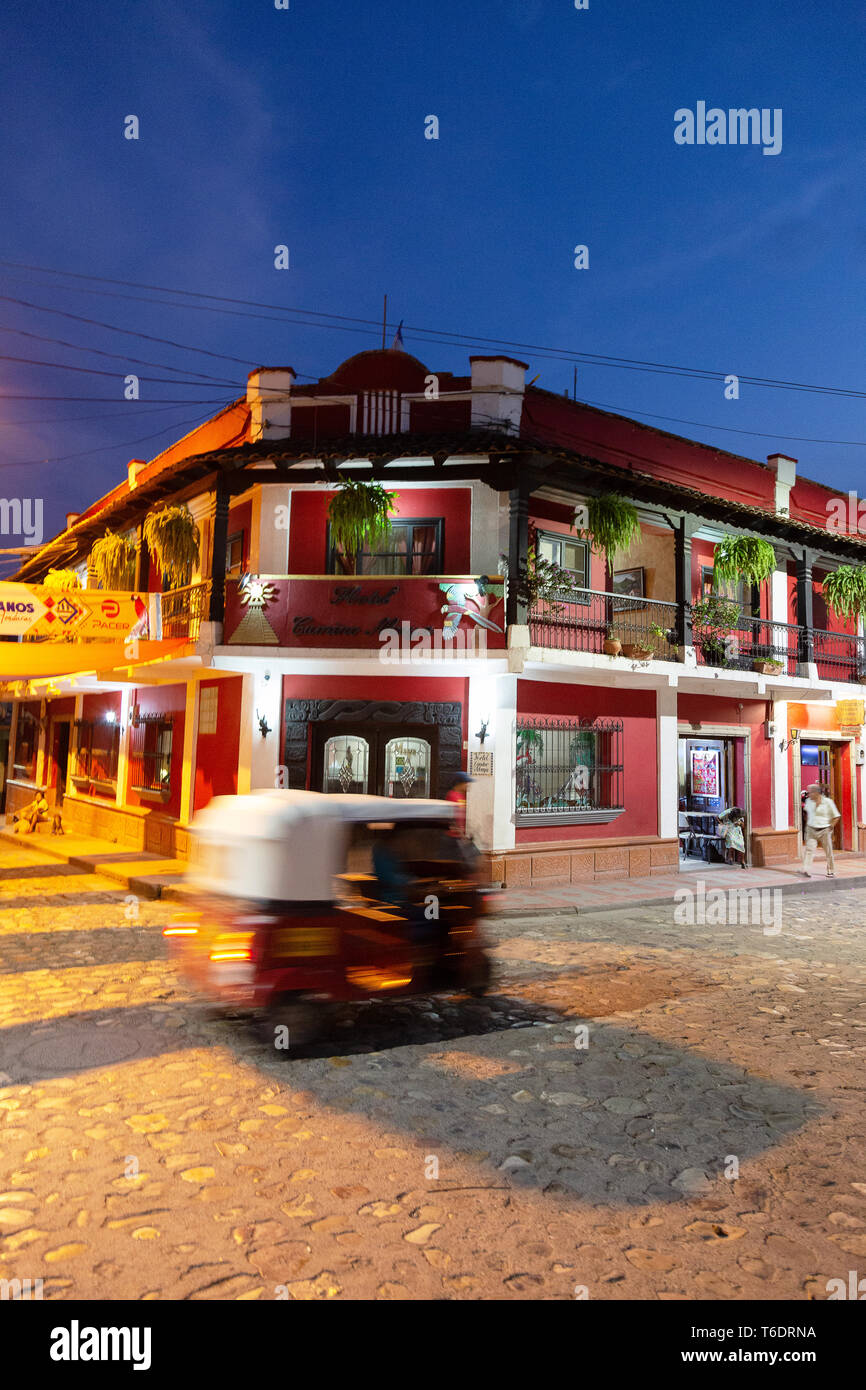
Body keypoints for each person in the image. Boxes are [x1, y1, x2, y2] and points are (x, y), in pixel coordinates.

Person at [799, 782, 840, 878]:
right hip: (811, 829)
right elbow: (806, 813)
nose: (809, 794)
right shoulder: (809, 801)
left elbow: (836, 816)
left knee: (828, 851)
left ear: (817, 793)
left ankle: (831, 870)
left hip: (824, 830)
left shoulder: (828, 802)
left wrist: (830, 827)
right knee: (809, 849)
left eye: (811, 792)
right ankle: (806, 869)